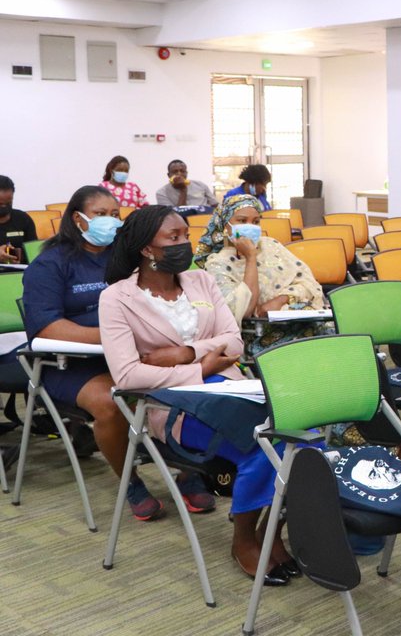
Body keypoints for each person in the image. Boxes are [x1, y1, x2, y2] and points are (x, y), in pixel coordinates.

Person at [99, 206, 296, 586]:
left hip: (233, 388)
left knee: (300, 435)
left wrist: (184, 352)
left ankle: (269, 530)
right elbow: (128, 374)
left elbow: (234, 342)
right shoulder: (117, 298)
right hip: (172, 404)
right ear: (146, 249)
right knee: (263, 446)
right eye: (173, 238)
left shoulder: (201, 281)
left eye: (185, 235)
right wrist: (200, 368)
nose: (184, 244)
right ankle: (244, 538)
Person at [21, 185, 171, 520]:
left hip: (127, 355)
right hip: (68, 364)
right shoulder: (51, 264)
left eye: (116, 214)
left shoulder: (125, 258)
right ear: (78, 219)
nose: (111, 221)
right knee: (110, 402)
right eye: (101, 214)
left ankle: (189, 474)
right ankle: (130, 481)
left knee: (180, 383)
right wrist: (113, 338)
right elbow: (46, 328)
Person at [196, 195, 325, 355]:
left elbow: (308, 283)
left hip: (295, 321)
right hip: (256, 335)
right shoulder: (217, 264)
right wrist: (250, 257)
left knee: (327, 336)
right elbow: (244, 310)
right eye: (242, 221)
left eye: (256, 221)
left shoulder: (271, 246)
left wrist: (282, 299)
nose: (250, 226)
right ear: (225, 225)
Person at [0, 175, 38, 264]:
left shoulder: (23, 219)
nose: (4, 207)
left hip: (20, 269)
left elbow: (34, 252)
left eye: (8, 203)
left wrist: (17, 256)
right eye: (0, 204)